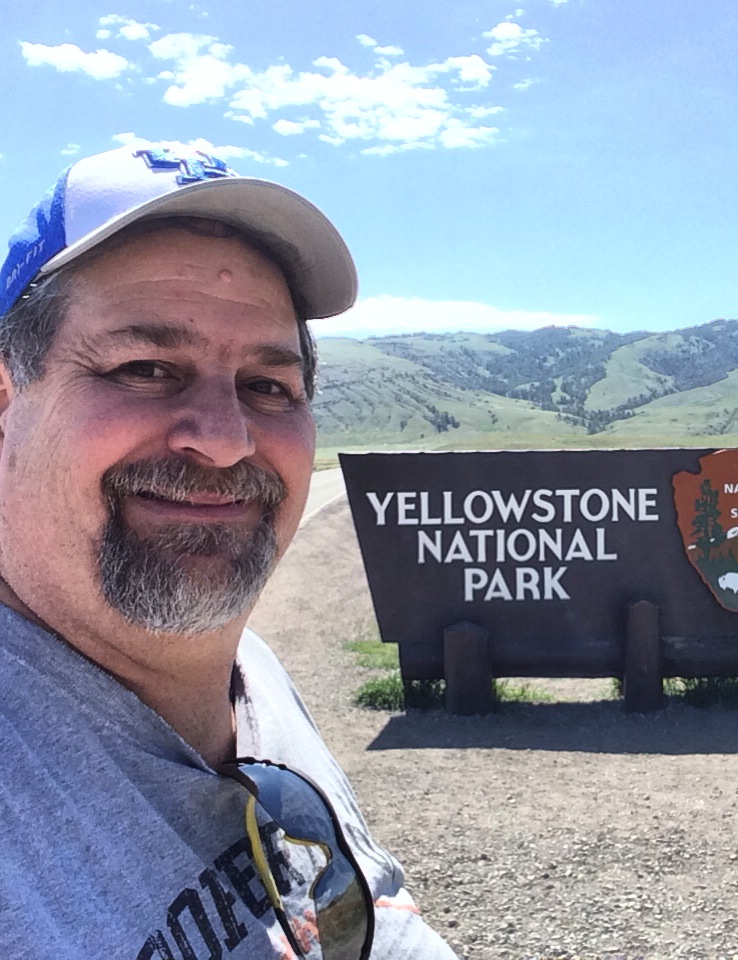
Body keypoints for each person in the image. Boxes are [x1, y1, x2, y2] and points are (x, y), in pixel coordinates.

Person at [0, 143, 459, 960]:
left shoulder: (251, 674)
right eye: (145, 367)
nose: (223, 439)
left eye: (267, 385)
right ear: (7, 399)